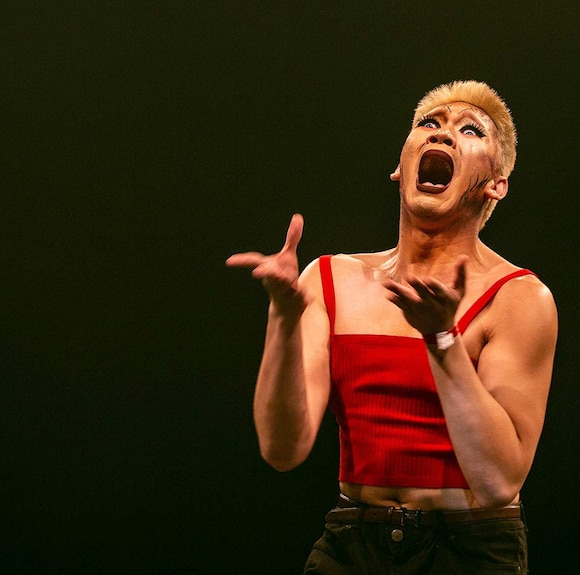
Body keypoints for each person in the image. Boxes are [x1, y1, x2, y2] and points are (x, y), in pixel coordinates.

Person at [226, 80, 558, 574]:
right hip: (354, 541)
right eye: (429, 124)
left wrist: (442, 341)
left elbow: (498, 480)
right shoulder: (329, 279)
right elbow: (282, 449)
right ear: (400, 167)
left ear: (496, 183)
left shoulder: (518, 297)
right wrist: (283, 318)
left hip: (468, 549)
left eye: (470, 130)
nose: (442, 136)